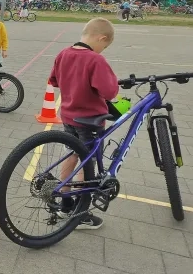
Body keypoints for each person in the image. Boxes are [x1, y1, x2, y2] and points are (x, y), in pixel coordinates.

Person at [49, 17, 118, 230]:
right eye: (104, 47)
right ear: (101, 38)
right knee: (86, 165)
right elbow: (110, 92)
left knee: (71, 155)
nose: (102, 51)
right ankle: (81, 212)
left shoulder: (64, 54)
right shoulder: (95, 60)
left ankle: (65, 201)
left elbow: (54, 81)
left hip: (69, 117)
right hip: (90, 121)